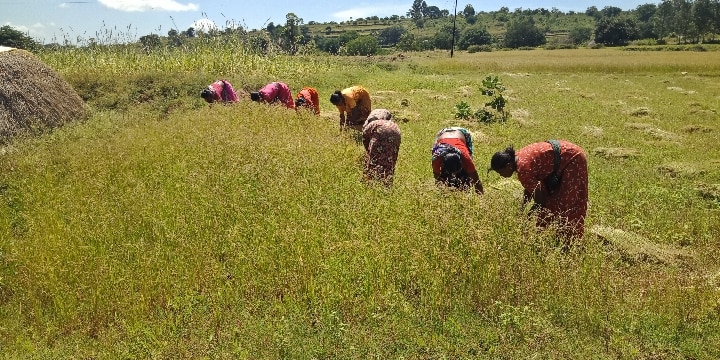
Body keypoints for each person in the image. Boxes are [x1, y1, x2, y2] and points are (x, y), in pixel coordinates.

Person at [489, 140, 588, 242]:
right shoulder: (517, 159)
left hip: (573, 159)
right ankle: (549, 237)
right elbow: (531, 188)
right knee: (551, 200)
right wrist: (522, 208)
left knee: (570, 202)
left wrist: (528, 217)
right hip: (565, 155)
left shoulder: (523, 169)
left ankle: (572, 242)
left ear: (508, 166)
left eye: (500, 172)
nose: (501, 175)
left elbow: (540, 201)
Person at [431, 127, 483, 195]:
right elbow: (438, 180)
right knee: (444, 177)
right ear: (443, 164)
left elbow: (476, 181)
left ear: (461, 162)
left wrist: (481, 199)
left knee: (467, 178)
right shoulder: (437, 159)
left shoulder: (466, 159)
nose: (454, 175)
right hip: (442, 133)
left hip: (462, 133)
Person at [362, 109, 401, 186]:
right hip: (396, 130)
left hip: (381, 131)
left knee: (373, 159)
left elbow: (365, 140)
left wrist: (368, 153)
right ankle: (387, 183)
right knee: (390, 157)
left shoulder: (368, 126)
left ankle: (369, 182)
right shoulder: (384, 120)